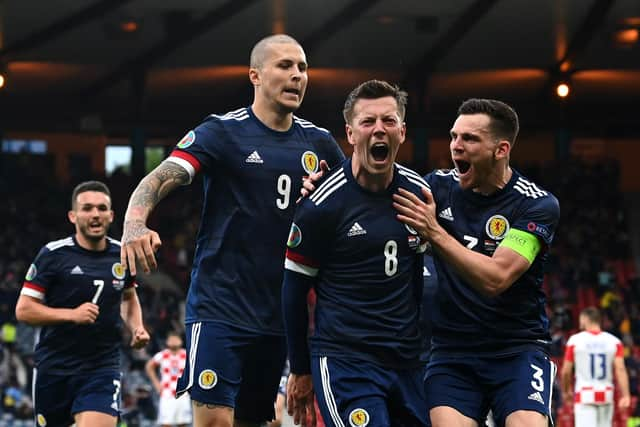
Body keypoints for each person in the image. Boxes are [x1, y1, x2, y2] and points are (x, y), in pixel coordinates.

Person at [120, 34, 344, 427]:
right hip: (220, 305)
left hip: (280, 315)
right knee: (214, 422)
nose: (297, 76)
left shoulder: (320, 144)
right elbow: (159, 177)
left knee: (256, 421)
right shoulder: (222, 132)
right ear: (255, 75)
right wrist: (135, 222)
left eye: (303, 68)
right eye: (285, 66)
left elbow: (350, 211)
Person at [392, 98, 560, 427]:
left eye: (470, 139)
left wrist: (435, 233)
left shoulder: (536, 204)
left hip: (516, 349)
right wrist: (315, 191)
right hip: (452, 352)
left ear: (501, 149)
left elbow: (496, 279)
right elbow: (369, 193)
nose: (456, 147)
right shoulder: (436, 188)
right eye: (454, 137)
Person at [283, 80, 429, 427]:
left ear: (403, 131)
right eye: (368, 122)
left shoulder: (420, 194)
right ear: (350, 134)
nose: (379, 129)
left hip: (408, 362)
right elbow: (293, 293)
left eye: (389, 121)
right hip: (346, 361)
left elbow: (420, 277)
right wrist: (300, 369)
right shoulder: (320, 204)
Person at [15, 180, 150, 427]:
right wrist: (70, 315)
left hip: (102, 367)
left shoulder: (122, 254)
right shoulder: (53, 255)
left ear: (111, 215)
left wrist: (137, 327)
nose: (95, 214)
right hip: (54, 368)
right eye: (87, 208)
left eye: (101, 208)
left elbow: (128, 298)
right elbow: (24, 310)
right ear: (73, 216)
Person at [561, 306, 631, 427]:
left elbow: (566, 371)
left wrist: (566, 391)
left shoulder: (575, 341)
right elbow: (620, 369)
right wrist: (626, 395)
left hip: (584, 395)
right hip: (606, 394)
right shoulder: (614, 342)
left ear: (584, 319)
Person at [145, 332, 192, 427]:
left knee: (183, 422)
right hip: (167, 393)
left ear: (181, 341)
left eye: (176, 339)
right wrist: (156, 383)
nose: (174, 341)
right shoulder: (162, 355)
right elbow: (149, 366)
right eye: (171, 339)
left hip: (183, 393)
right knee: (166, 423)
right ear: (167, 342)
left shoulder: (186, 355)